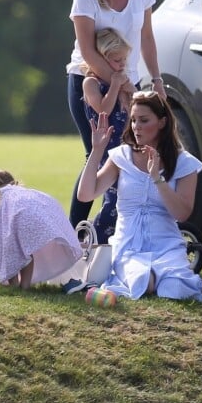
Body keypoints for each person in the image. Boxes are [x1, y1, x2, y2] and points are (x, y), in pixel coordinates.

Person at [67, 0, 166, 228]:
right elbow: (87, 51)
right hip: (89, 79)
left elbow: (146, 37)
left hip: (129, 81)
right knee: (96, 155)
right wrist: (119, 82)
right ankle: (73, 235)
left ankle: (113, 229)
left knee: (126, 156)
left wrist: (156, 80)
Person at [77, 91, 202, 301]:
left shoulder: (184, 162)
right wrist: (97, 151)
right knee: (144, 282)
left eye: (144, 120)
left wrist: (157, 179)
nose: (136, 126)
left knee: (174, 288)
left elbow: (182, 214)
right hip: (129, 247)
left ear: (162, 122)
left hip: (166, 245)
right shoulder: (122, 156)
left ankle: (173, 276)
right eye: (134, 120)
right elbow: (85, 194)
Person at [0, 170, 83, 290]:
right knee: (26, 252)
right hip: (38, 215)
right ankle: (25, 286)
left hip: (20, 218)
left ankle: (13, 285)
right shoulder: (21, 192)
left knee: (10, 251)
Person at [82, 27, 132, 243]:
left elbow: (133, 112)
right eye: (116, 60)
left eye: (124, 60)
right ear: (101, 59)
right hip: (106, 146)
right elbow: (104, 110)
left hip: (126, 145)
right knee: (111, 197)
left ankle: (118, 239)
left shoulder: (122, 84)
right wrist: (115, 86)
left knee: (125, 196)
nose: (122, 65)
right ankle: (98, 239)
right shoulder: (91, 83)